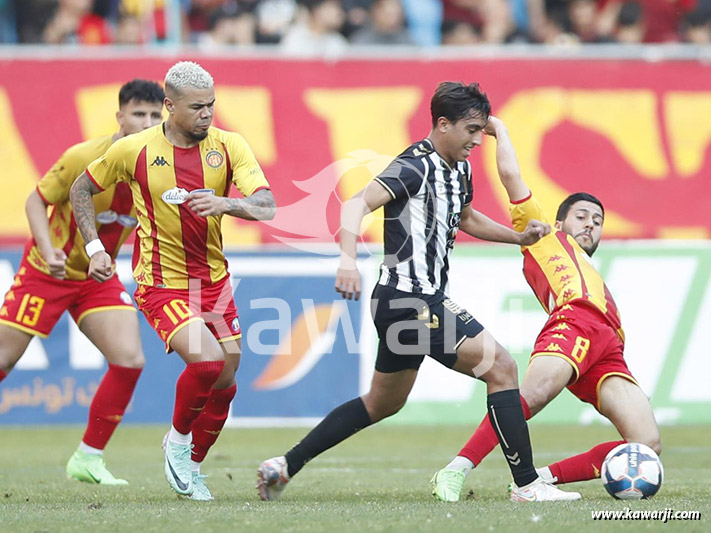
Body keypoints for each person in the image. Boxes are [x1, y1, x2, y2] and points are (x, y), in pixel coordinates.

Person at [256, 82, 580, 503]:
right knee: (501, 368)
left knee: (381, 403)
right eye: (470, 130)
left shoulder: (459, 167)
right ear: (442, 125)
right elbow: (355, 204)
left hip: (406, 304)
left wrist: (517, 237)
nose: (477, 140)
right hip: (410, 300)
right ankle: (527, 485)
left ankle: (284, 466)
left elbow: (463, 217)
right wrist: (348, 261)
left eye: (482, 131)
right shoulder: (415, 165)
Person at [69, 61, 276, 501]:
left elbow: (266, 206)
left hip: (214, 283)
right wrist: (95, 249)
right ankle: (178, 444)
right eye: (197, 107)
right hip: (161, 283)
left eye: (212, 105)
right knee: (206, 364)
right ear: (169, 106)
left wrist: (224, 204)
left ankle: (193, 463)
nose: (207, 114)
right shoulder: (135, 150)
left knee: (227, 382)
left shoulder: (229, 145)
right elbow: (80, 190)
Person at [430, 116, 661, 501]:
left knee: (646, 444)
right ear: (559, 221)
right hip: (575, 322)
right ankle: (456, 468)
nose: (591, 225)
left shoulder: (585, 264)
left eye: (598, 221)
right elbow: (511, 176)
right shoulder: (544, 237)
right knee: (531, 394)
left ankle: (541, 478)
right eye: (582, 216)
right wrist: (501, 130)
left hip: (609, 348)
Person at [0, 79, 165, 484]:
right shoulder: (85, 157)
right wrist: (47, 248)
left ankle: (88, 458)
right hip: (47, 270)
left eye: (154, 115)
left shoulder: (159, 168)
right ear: (119, 117)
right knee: (2, 361)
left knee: (130, 359)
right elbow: (35, 200)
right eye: (138, 113)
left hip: (97, 277)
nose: (146, 122)